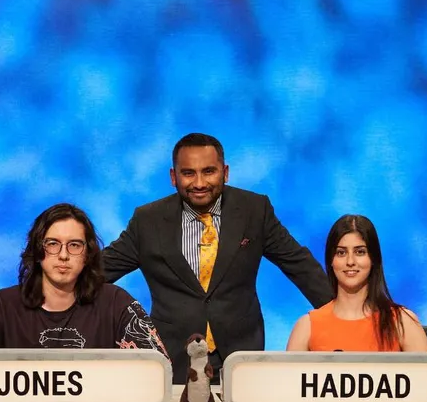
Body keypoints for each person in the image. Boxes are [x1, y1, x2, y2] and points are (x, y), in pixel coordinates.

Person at [103, 133, 333, 383]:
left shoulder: (254, 210)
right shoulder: (148, 220)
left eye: (209, 171)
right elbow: (100, 272)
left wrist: (348, 316)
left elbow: (299, 265)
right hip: (173, 362)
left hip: (241, 360)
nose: (199, 183)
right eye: (188, 173)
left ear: (225, 172)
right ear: (173, 177)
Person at [0, 203, 169, 356]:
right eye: (52, 244)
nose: (63, 255)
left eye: (74, 245)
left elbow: (157, 373)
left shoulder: (118, 305)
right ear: (37, 250)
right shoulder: (0, 307)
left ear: (87, 254)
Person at [286, 214, 427, 352]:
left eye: (360, 252)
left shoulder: (402, 322)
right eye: (341, 253)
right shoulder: (307, 328)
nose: (350, 262)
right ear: (331, 260)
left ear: (373, 259)